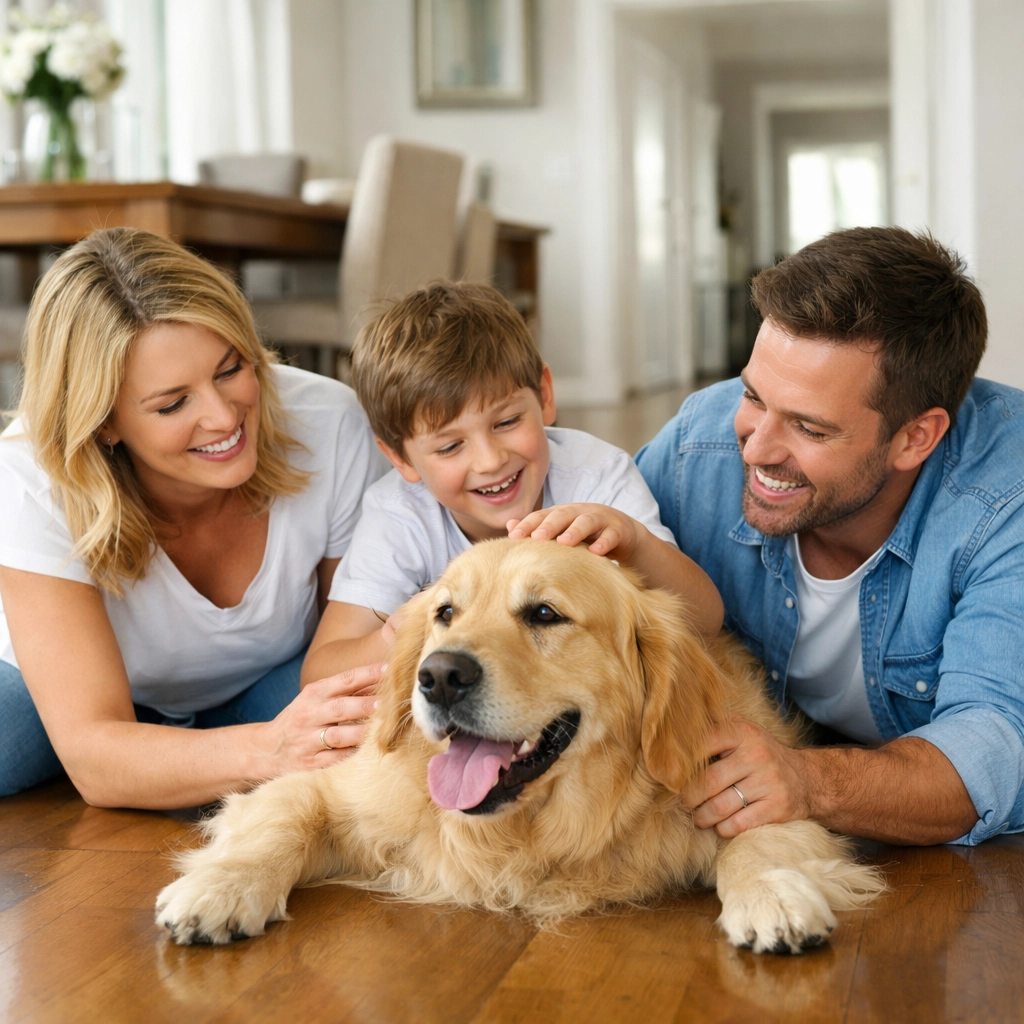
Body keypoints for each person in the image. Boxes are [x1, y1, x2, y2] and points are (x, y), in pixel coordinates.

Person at [637, 226, 1024, 846]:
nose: (756, 447)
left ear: (915, 437)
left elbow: (991, 751)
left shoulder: (1006, 503)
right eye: (754, 396)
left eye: (810, 429)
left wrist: (807, 780)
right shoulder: (697, 446)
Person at [0, 227, 389, 807]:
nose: (223, 416)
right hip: (55, 694)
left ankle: (180, 760)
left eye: (231, 368)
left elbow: (355, 645)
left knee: (377, 720)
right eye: (173, 403)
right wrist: (269, 751)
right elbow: (92, 757)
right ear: (104, 422)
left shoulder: (330, 425)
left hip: (267, 685)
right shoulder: (32, 475)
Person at [302, 282, 724, 683]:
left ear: (544, 395)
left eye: (506, 422)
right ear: (399, 458)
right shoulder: (398, 513)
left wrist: (635, 539)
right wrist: (408, 632)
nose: (490, 461)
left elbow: (704, 623)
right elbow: (320, 671)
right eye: (450, 447)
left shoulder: (595, 474)